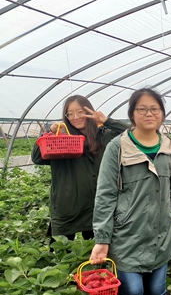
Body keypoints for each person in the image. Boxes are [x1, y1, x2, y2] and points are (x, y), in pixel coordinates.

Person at [90, 88, 171, 295]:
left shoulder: (169, 148)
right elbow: (105, 194)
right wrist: (102, 239)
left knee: (157, 293)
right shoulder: (117, 147)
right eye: (142, 108)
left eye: (154, 108)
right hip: (127, 234)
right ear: (132, 114)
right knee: (133, 292)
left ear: (162, 114)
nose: (149, 113)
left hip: (161, 232)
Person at [31, 95, 128, 241]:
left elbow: (136, 136)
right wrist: (49, 132)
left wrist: (107, 121)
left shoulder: (105, 136)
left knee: (96, 255)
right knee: (61, 252)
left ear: (89, 111)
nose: (75, 117)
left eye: (80, 112)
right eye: (70, 113)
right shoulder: (60, 139)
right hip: (69, 207)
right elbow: (37, 157)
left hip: (99, 207)